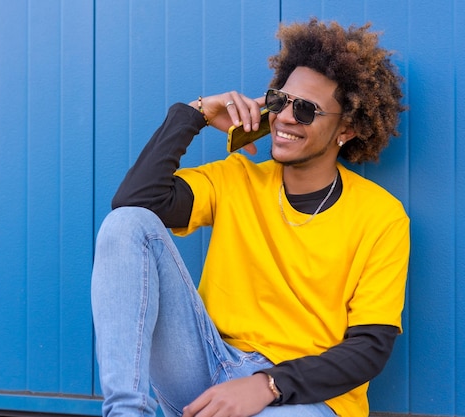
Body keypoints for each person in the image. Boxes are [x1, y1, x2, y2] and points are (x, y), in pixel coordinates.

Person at [91, 18, 409, 417]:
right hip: (206, 364)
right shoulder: (235, 177)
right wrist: (196, 114)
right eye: (279, 101)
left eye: (306, 110)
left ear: (345, 128)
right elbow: (136, 202)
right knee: (125, 225)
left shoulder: (380, 216)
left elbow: (370, 348)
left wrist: (267, 385)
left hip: (300, 396)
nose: (286, 118)